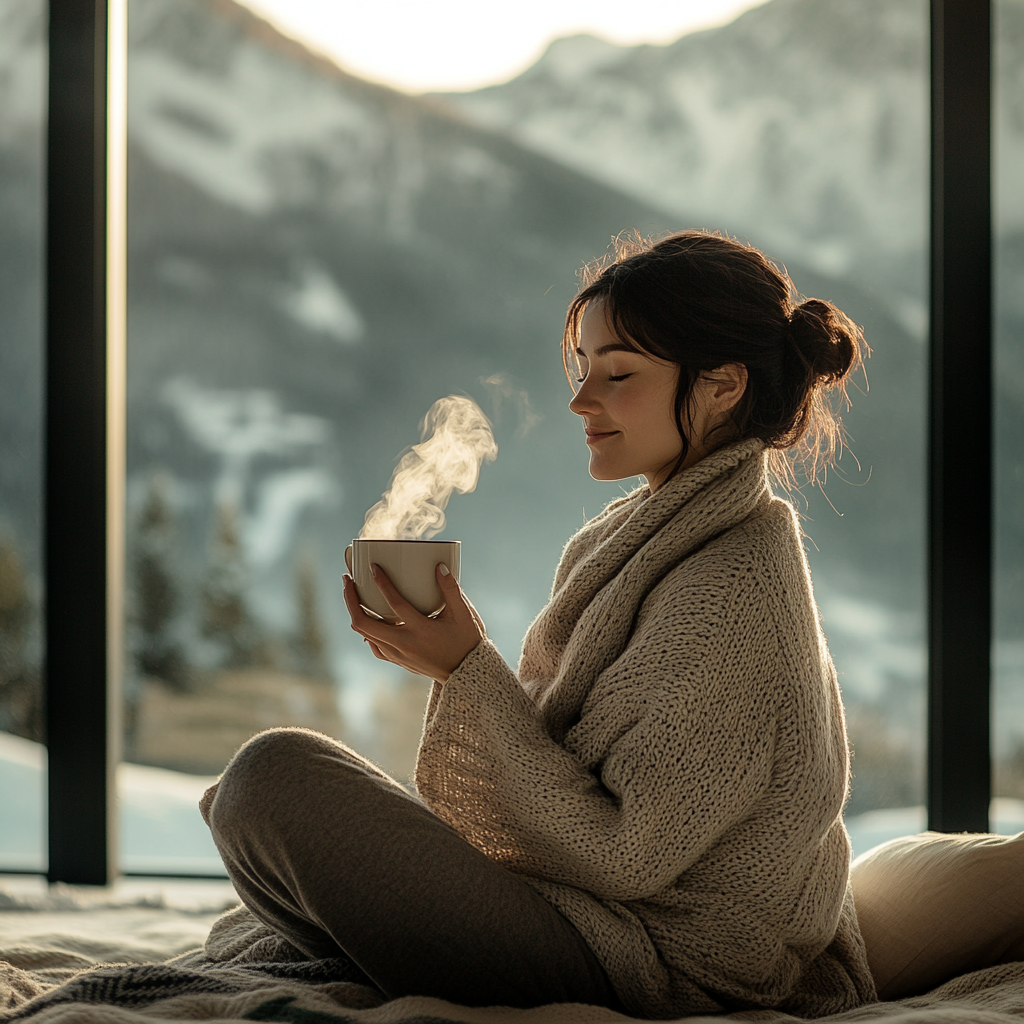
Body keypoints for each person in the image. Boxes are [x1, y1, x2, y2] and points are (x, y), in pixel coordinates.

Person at [201, 230, 878, 1017]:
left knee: (271, 782)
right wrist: (449, 665)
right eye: (582, 368)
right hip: (598, 924)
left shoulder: (732, 590)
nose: (581, 400)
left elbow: (625, 854)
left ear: (723, 386)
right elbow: (574, 775)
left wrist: (466, 669)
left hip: (657, 963)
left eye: (618, 374)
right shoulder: (648, 537)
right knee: (245, 802)